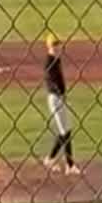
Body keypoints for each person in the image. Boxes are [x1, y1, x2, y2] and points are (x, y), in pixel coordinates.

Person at [39, 34, 81, 174]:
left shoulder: (56, 60)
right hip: (55, 98)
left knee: (66, 130)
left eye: (58, 44)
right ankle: (69, 165)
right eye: (54, 44)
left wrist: (63, 95)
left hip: (59, 98)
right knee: (65, 132)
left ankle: (51, 159)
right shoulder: (49, 62)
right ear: (49, 46)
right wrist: (60, 94)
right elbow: (50, 81)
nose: (57, 47)